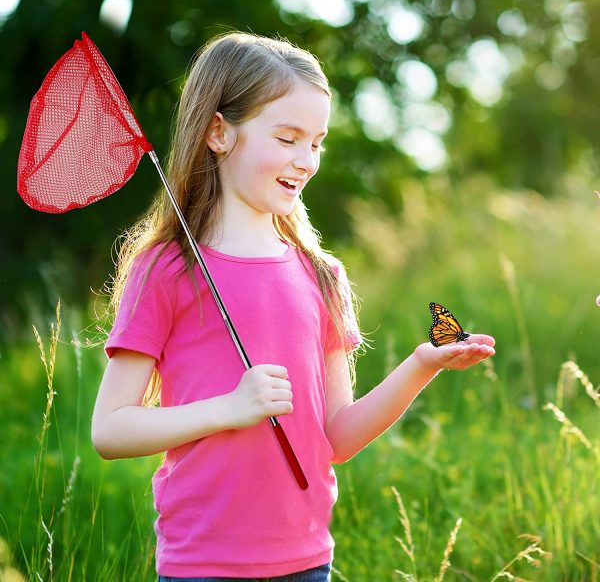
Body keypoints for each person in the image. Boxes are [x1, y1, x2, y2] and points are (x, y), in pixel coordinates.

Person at [91, 31, 495, 582]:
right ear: (218, 132)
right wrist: (229, 409)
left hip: (307, 561)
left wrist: (422, 364)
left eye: (317, 142)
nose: (306, 160)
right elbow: (110, 430)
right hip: (203, 565)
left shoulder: (321, 274)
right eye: (287, 138)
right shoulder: (167, 269)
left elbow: (339, 436)